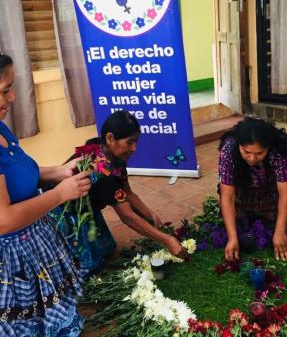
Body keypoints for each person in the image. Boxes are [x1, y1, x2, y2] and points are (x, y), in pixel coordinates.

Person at [0, 54, 91, 335]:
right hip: (11, 264)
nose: (13, 97)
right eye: (4, 90)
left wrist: (59, 172)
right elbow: (4, 220)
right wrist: (60, 194)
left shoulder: (1, 127)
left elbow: (20, 173)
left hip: (33, 244)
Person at [50, 110, 186, 277]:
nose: (134, 148)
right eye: (130, 142)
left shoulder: (109, 155)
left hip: (86, 206)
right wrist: (167, 240)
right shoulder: (103, 172)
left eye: (136, 142)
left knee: (105, 251)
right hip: (63, 214)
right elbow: (127, 216)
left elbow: (128, 193)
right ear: (110, 138)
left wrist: (150, 214)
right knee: (85, 268)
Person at [218, 117, 287, 261]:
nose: (252, 158)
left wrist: (280, 232)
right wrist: (232, 238)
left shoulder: (279, 151)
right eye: (246, 152)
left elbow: (285, 193)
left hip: (271, 191)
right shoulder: (229, 149)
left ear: (268, 147)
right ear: (239, 145)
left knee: (280, 224)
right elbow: (227, 196)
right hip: (245, 189)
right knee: (240, 225)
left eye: (259, 153)